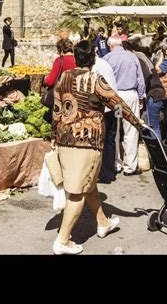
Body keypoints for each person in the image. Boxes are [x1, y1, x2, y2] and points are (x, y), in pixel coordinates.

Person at [52, 40, 144, 255]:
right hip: (86, 142)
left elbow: (56, 109)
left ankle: (102, 222)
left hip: (65, 139)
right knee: (76, 193)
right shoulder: (95, 80)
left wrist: (53, 135)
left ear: (76, 57)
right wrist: (139, 124)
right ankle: (63, 240)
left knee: (88, 183)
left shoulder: (64, 77)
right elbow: (117, 104)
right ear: (93, 58)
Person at [104, 36, 145, 175]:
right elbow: (140, 79)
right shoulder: (132, 57)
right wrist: (140, 97)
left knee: (114, 130)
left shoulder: (107, 59)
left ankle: (116, 163)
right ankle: (130, 166)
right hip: (130, 95)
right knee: (131, 130)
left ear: (110, 45)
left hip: (115, 97)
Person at [93, 53, 119, 183]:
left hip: (104, 108)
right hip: (113, 107)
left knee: (102, 142)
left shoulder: (95, 67)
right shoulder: (105, 64)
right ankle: (109, 172)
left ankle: (104, 173)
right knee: (110, 141)